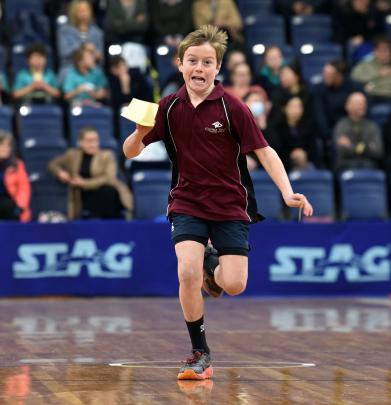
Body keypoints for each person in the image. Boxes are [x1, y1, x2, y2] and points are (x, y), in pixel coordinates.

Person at [122, 25, 313, 380]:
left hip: (229, 205)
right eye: (192, 60)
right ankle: (200, 353)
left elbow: (266, 152)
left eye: (207, 62)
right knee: (186, 271)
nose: (199, 68)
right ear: (180, 64)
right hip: (187, 201)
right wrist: (137, 130)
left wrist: (288, 192)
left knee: (235, 285)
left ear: (217, 68)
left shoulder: (233, 108)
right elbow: (130, 152)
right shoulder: (168, 107)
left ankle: (213, 265)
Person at [49, 127, 133, 219]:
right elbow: (53, 164)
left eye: (95, 140)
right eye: (89, 141)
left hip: (106, 195)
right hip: (82, 195)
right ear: (80, 142)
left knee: (107, 191)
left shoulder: (106, 155)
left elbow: (109, 179)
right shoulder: (72, 155)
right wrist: (60, 172)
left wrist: (83, 183)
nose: (92, 144)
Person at [333, 92, 383, 170]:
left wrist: (351, 146)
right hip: (346, 165)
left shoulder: (372, 126)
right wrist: (367, 147)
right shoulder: (341, 125)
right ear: (348, 106)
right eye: (358, 103)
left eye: (363, 103)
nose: (362, 106)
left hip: (369, 164)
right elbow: (341, 150)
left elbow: (378, 151)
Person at [314, 60, 362, 140]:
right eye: (324, 73)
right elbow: (320, 115)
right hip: (330, 131)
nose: (324, 76)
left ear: (339, 76)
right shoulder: (320, 89)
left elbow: (363, 111)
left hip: (352, 130)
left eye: (328, 74)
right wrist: (330, 135)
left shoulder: (355, 88)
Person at [271, 96, 319, 171]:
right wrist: (291, 154)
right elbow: (277, 149)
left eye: (299, 106)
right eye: (293, 106)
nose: (296, 110)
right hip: (284, 163)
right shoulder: (278, 127)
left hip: (306, 162)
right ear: (284, 108)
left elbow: (313, 149)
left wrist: (304, 153)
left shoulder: (309, 127)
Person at [57, 0, 104, 70]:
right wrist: (83, 48)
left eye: (86, 10)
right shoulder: (64, 30)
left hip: (92, 67)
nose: (84, 14)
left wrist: (95, 54)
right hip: (71, 67)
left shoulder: (97, 32)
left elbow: (101, 57)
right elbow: (64, 52)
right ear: (73, 13)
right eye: (80, 11)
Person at [0, 131, 31, 222]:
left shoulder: (17, 165)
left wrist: (20, 207)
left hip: (10, 204)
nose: (6, 148)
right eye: (2, 145)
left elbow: (24, 188)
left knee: (9, 207)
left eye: (8, 146)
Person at [351, 36, 391, 100]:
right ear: (374, 51)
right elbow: (354, 78)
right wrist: (378, 74)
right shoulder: (365, 64)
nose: (383, 53)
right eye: (380, 50)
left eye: (386, 50)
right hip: (372, 96)